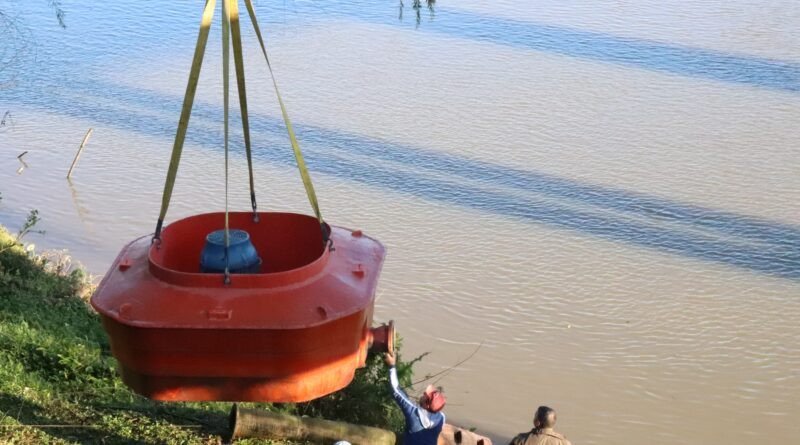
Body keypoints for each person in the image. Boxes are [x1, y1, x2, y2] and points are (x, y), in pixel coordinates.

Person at [384, 351, 446, 445]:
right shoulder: (441, 419)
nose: (424, 393)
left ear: (426, 405)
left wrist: (392, 366)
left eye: (426, 395)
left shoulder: (414, 414)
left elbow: (395, 391)